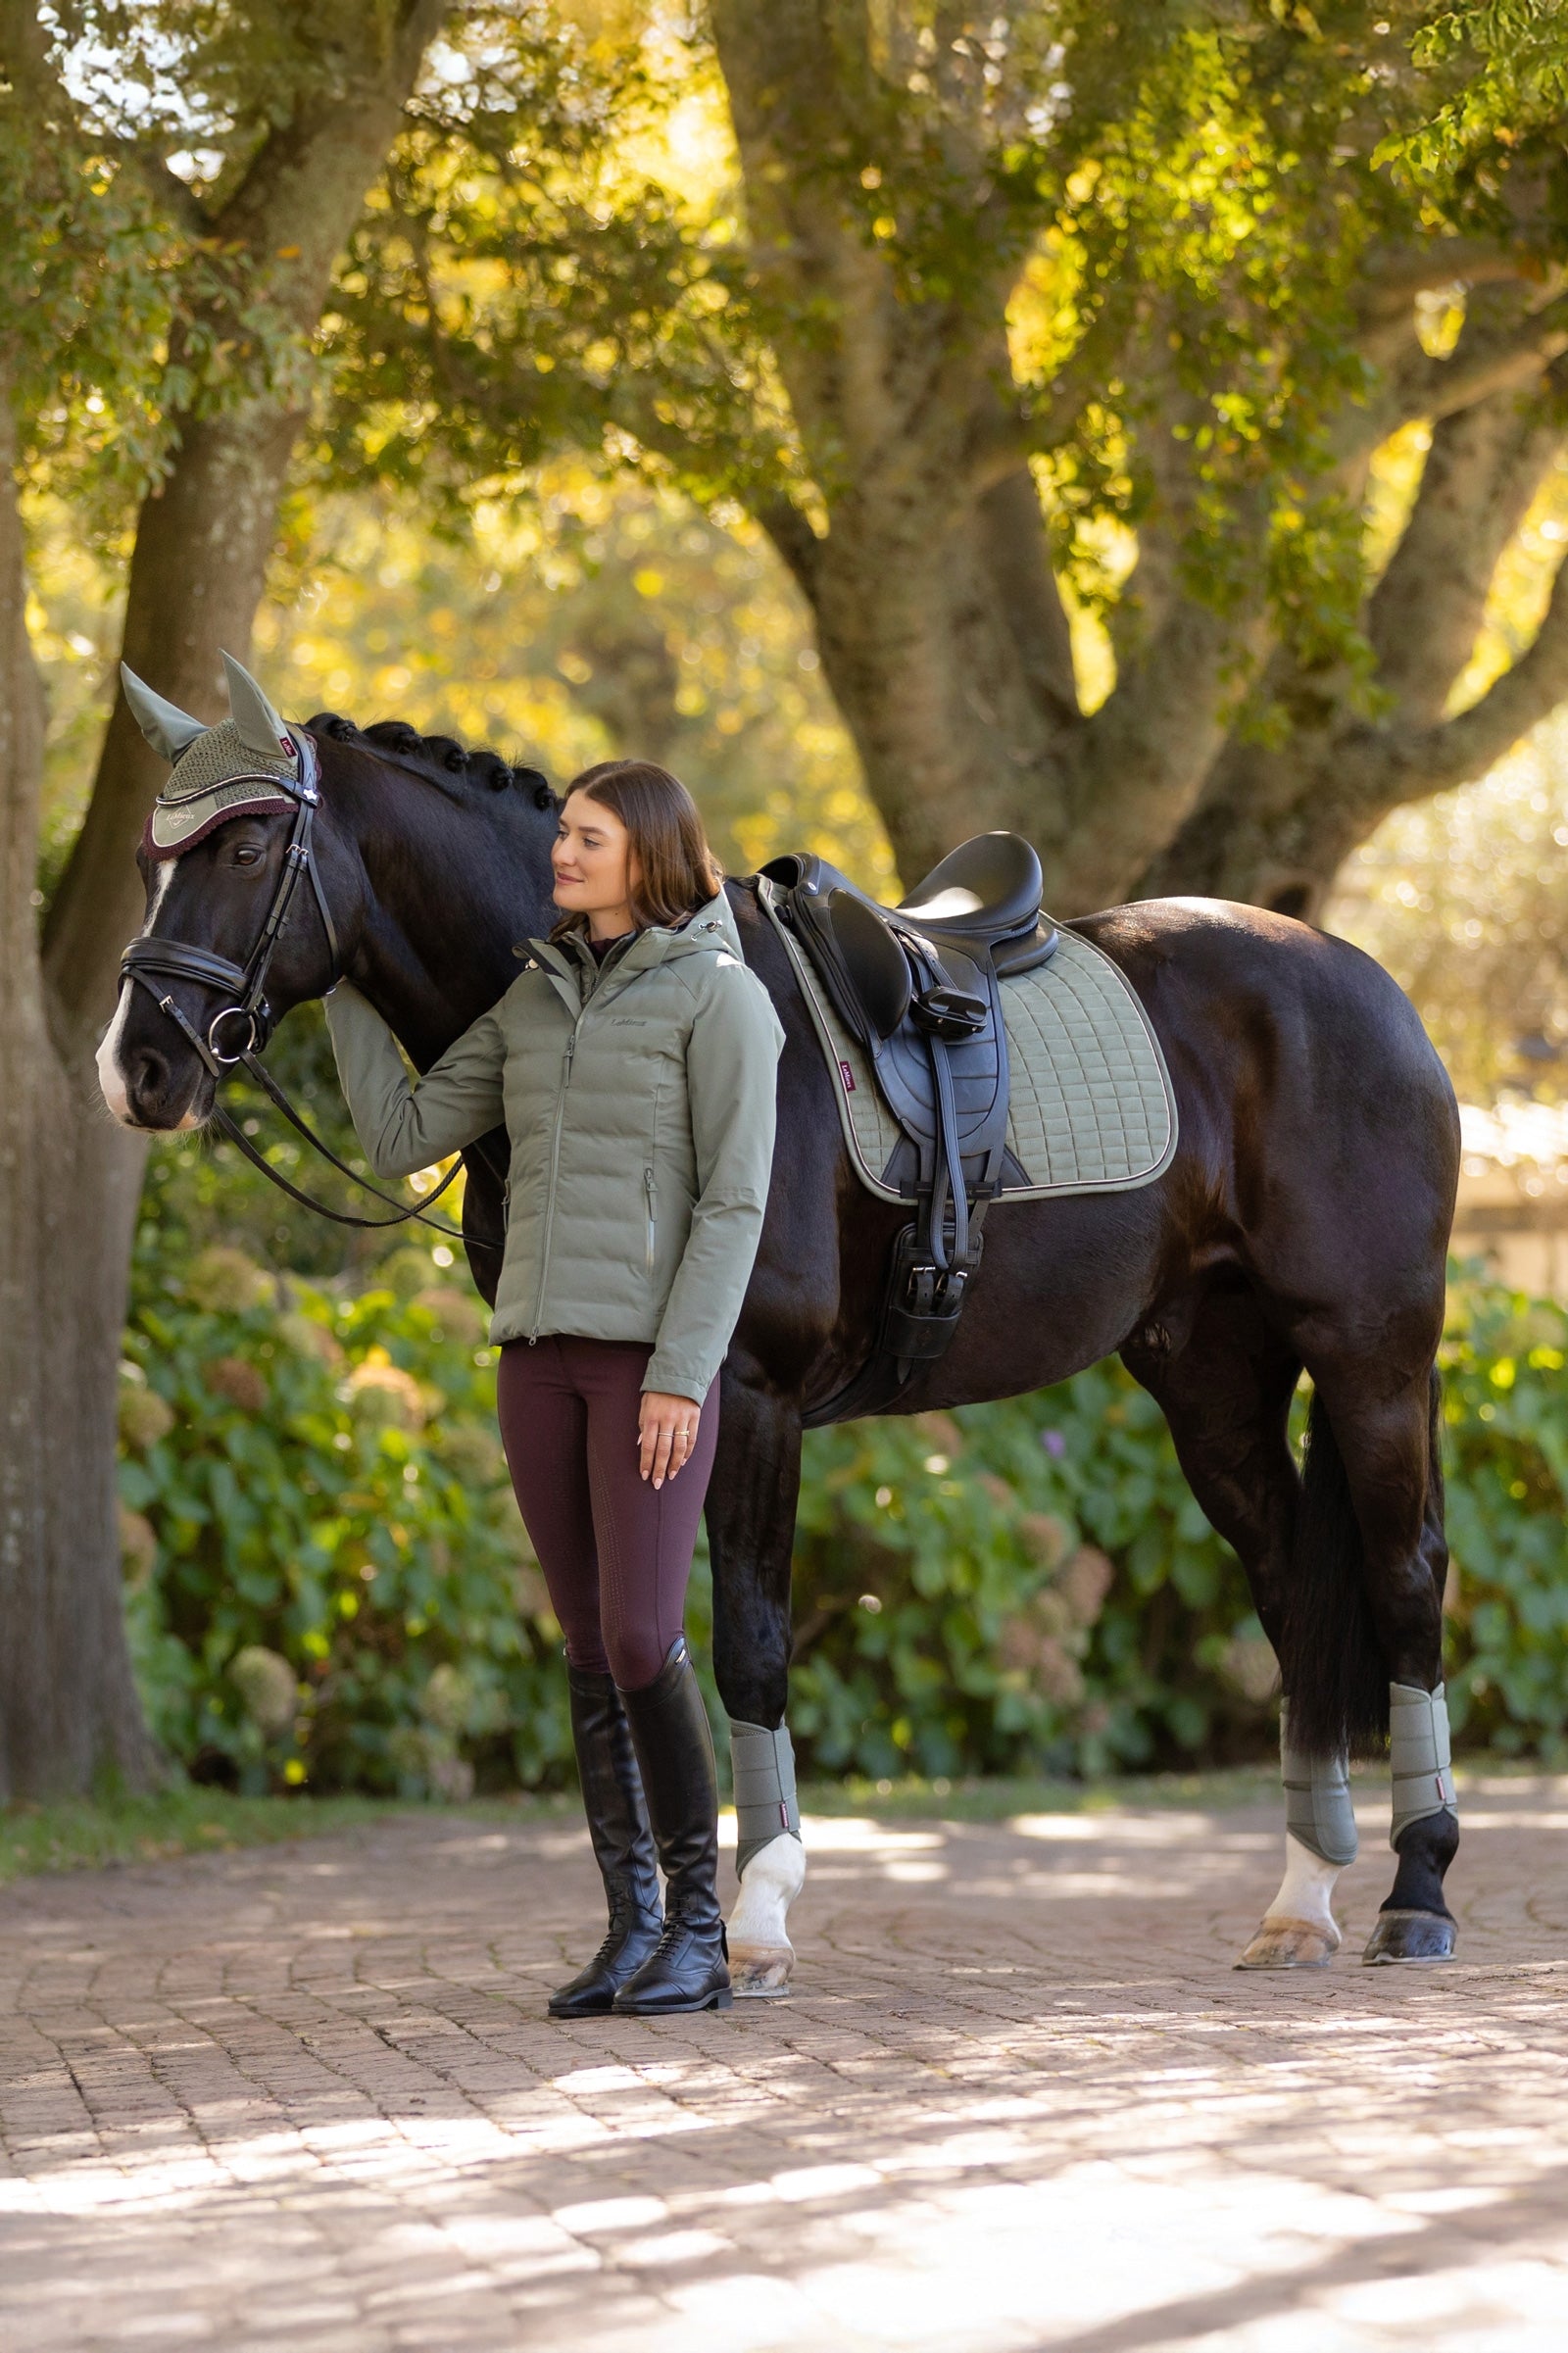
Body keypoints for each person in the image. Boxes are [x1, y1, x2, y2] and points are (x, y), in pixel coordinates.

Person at [325, 760, 783, 2015]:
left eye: (585, 837)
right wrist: (341, 978)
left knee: (642, 1634)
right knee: (587, 1644)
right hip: (535, 1358)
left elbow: (737, 1202)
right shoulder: (533, 1002)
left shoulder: (723, 1001)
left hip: (649, 1368)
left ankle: (700, 1926)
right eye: (563, 836)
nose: (560, 855)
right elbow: (405, 1131)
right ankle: (629, 1926)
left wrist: (683, 1374)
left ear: (646, 851)